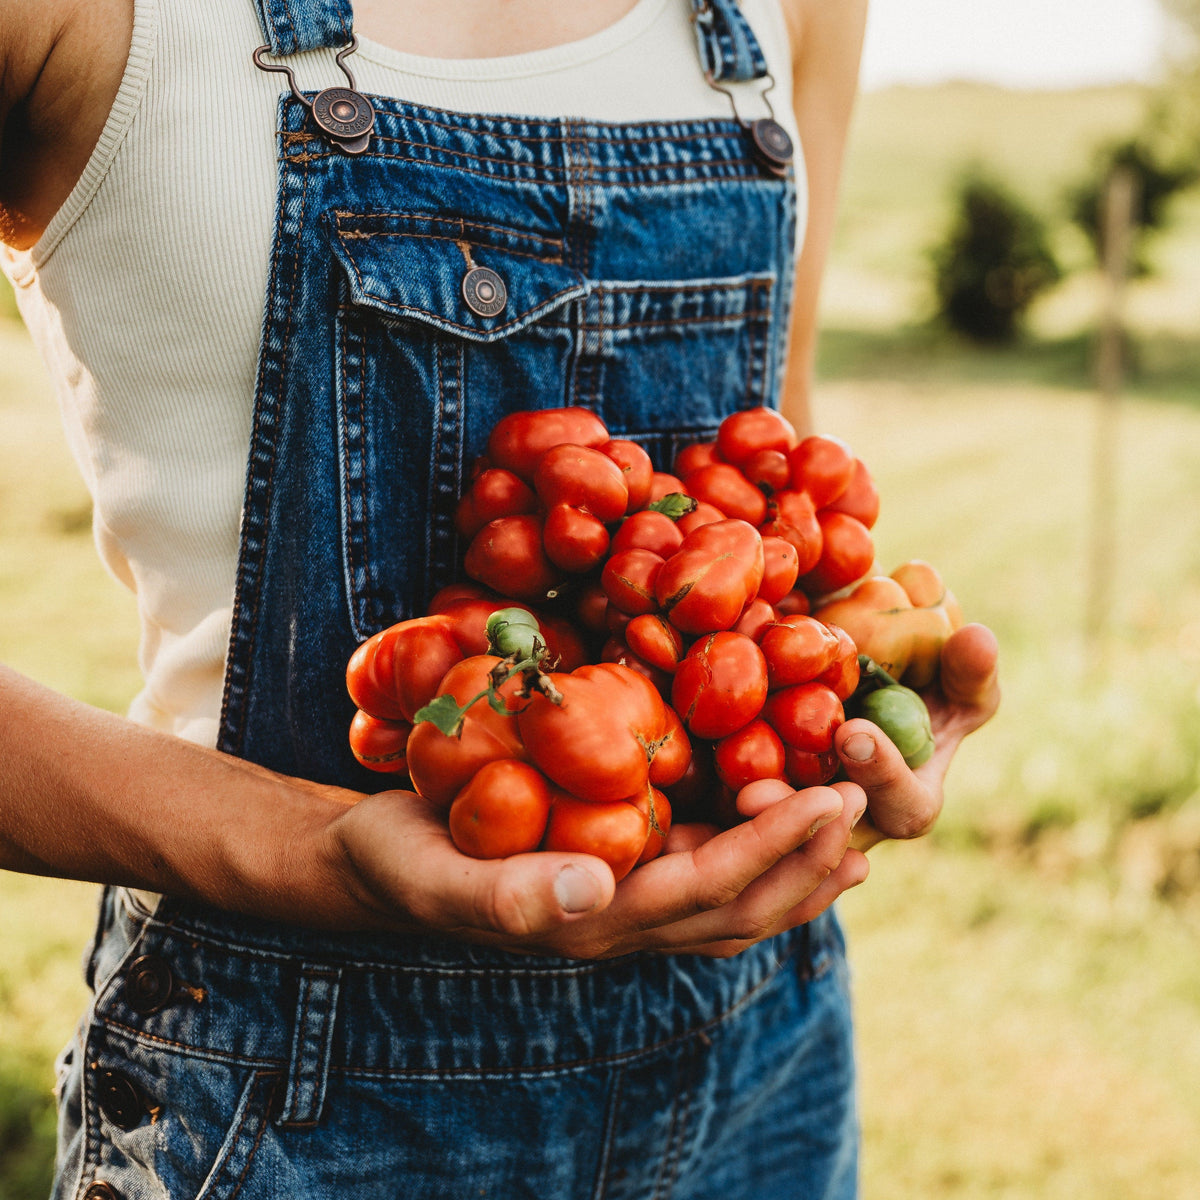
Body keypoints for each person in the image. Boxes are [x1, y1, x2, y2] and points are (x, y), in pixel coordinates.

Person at [0, 0, 1000, 1196]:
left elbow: (773, 460)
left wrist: (858, 697)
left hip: (756, 1064)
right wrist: (314, 849)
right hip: (291, 1095)